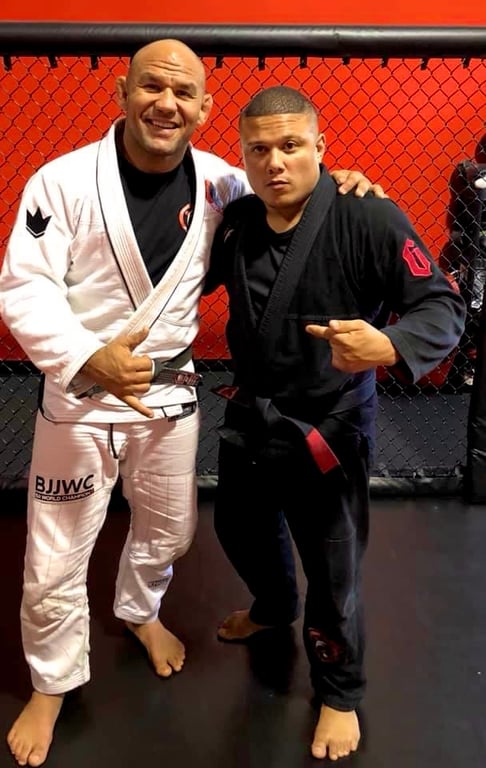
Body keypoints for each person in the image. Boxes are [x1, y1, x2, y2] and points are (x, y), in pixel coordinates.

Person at [0, 39, 384, 767]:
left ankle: (138, 611)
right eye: (151, 86)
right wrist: (85, 355)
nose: (165, 104)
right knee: (54, 555)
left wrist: (343, 185)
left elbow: (292, 194)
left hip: (169, 393)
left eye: (183, 93)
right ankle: (51, 683)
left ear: (205, 109)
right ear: (121, 92)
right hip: (81, 392)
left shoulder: (225, 186)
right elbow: (25, 286)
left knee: (170, 532)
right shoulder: (61, 181)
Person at [204, 86, 466, 761]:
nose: (275, 162)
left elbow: (442, 306)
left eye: (291, 145)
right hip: (251, 414)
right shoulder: (236, 221)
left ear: (320, 146)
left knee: (333, 567)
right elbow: (182, 280)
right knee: (238, 525)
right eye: (259, 149)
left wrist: (390, 344)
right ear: (243, 156)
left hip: (328, 426)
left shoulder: (368, 216)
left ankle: (340, 691)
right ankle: (273, 606)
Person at [440, 133, 486, 388]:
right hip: (476, 254)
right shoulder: (470, 172)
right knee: (474, 306)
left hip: (475, 250)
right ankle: (464, 366)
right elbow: (460, 218)